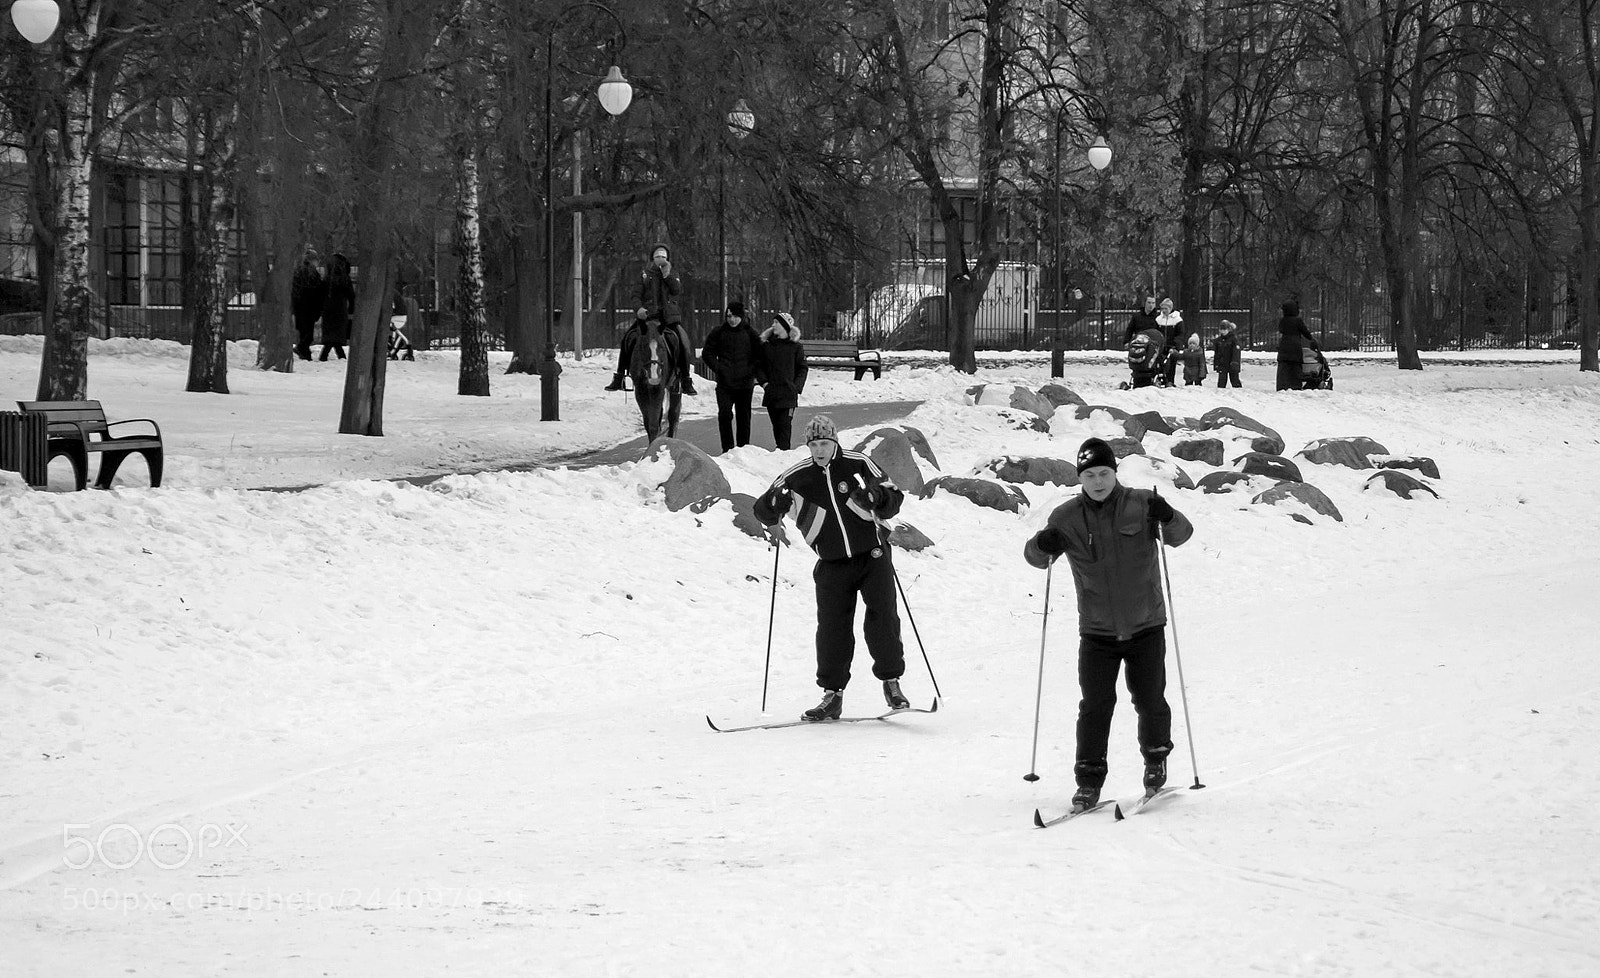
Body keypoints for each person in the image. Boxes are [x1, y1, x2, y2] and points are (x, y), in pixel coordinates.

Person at [1023, 437, 1194, 811]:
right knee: (1095, 707)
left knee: (1150, 701)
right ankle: (1088, 782)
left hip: (1146, 625)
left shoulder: (1142, 504)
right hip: (1097, 631)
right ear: (1080, 478)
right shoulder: (1066, 516)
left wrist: (1167, 516)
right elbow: (1036, 559)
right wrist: (1042, 543)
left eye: (1104, 473)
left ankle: (1155, 760)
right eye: (1089, 475)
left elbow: (1181, 536)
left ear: (1114, 473)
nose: (1098, 481)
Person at [753, 415, 910, 721]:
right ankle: (832, 696)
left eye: (824, 443)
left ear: (835, 442)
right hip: (832, 562)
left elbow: (894, 498)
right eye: (813, 444)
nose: (819, 450)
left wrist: (877, 496)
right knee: (832, 630)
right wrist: (776, 502)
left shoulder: (859, 463)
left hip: (873, 554)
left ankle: (892, 683)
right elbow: (763, 511)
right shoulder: (797, 476)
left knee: (883, 618)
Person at [606, 244, 696, 394]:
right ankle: (619, 376)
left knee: (681, 341)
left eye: (663, 257)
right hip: (647, 318)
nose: (660, 260)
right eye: (657, 257)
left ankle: (686, 379)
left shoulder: (673, 274)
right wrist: (639, 309)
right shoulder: (644, 275)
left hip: (668, 319)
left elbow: (676, 290)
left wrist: (667, 275)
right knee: (628, 338)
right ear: (652, 258)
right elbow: (635, 295)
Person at [700, 301, 766, 452]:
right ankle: (727, 449)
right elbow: (707, 353)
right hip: (725, 383)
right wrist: (718, 368)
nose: (732, 319)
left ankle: (743, 449)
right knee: (724, 414)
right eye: (729, 316)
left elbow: (760, 356)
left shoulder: (751, 333)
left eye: (735, 316)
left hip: (745, 384)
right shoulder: (719, 332)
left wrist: (751, 370)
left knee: (744, 418)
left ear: (741, 317)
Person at [759, 312, 807, 450]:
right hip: (772, 393)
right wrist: (764, 383)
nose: (773, 325)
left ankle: (784, 454)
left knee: (785, 427)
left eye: (776, 322)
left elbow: (802, 368)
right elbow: (759, 366)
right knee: (776, 427)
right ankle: (780, 453)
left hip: (788, 395)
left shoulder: (796, 347)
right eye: (773, 322)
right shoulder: (767, 346)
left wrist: (796, 386)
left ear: (785, 326)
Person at [1274, 299, 1319, 391]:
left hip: (1284, 346)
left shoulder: (1283, 321)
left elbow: (1281, 330)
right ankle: (1295, 385)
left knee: (1284, 367)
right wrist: (1312, 339)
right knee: (1295, 367)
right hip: (1295, 346)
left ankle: (1282, 385)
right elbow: (1305, 332)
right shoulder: (1298, 321)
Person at [290, 249, 326, 361]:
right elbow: (316, 291)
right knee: (308, 334)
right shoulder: (311, 273)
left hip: (300, 308)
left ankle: (305, 354)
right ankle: (301, 349)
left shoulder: (299, 272)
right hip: (309, 307)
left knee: (303, 332)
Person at [319, 253, 354, 361]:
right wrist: (352, 308)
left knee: (330, 333)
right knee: (337, 333)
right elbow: (351, 295)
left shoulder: (327, 279)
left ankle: (328, 354)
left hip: (328, 309)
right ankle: (338, 354)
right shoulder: (344, 279)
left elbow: (321, 294)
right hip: (340, 309)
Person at [1154, 298, 1183, 387]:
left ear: (1170, 308)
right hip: (1161, 346)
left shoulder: (1177, 320)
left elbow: (1180, 335)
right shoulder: (1159, 319)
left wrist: (1175, 346)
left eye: (1165, 309)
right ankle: (1159, 380)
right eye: (1162, 309)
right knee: (1159, 363)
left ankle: (1170, 381)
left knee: (1170, 365)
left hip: (1171, 347)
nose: (1163, 311)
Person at [1211, 320, 1242, 388]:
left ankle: (1239, 392)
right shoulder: (1218, 341)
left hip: (1232, 363)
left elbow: (1236, 352)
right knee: (1221, 381)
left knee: (1234, 380)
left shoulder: (1234, 339)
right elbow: (1217, 354)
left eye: (1225, 329)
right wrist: (1216, 364)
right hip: (1222, 363)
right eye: (1221, 329)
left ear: (1229, 329)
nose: (1223, 331)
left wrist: (1235, 362)